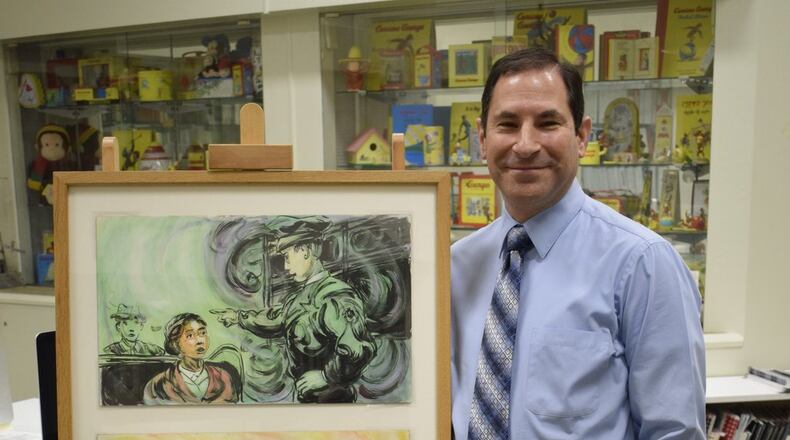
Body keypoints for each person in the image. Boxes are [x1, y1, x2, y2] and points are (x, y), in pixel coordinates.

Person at [451, 48, 705, 439]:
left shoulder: (642, 263)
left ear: (582, 136)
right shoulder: (457, 266)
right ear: (483, 138)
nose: (525, 144)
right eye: (508, 124)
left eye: (547, 123)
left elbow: (674, 432)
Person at [212, 216, 376, 403]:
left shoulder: (336, 296)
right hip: (307, 397)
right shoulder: (299, 296)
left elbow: (358, 349)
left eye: (287, 257)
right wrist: (238, 317)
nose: (285, 266)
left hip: (335, 399)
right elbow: (277, 319)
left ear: (305, 251)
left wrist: (326, 377)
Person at [143, 312, 239, 404]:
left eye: (203, 333)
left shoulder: (224, 378)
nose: (200, 340)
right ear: (175, 344)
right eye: (190, 335)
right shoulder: (159, 384)